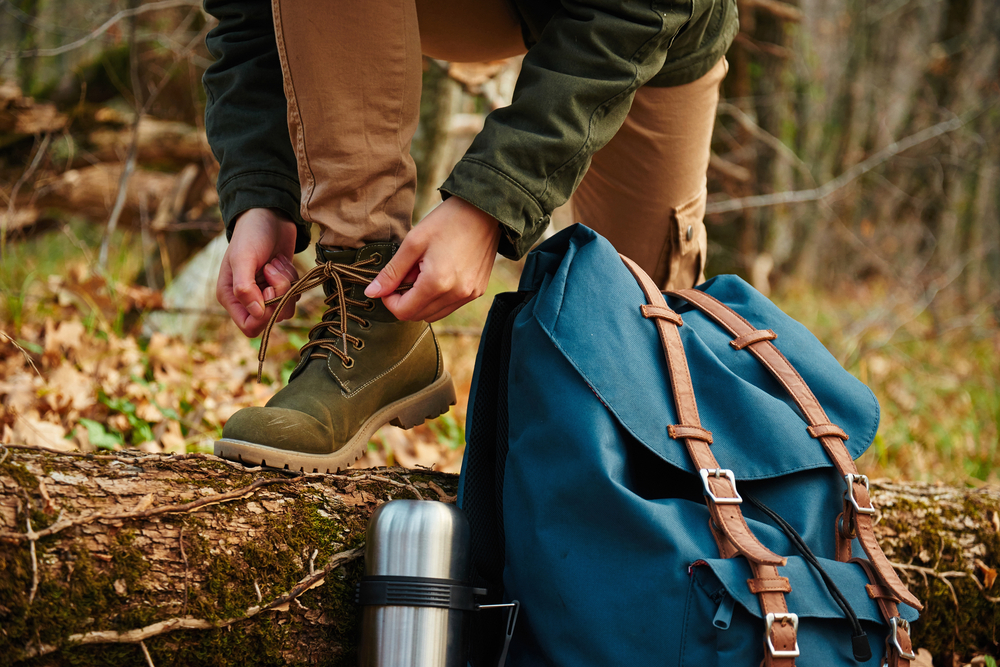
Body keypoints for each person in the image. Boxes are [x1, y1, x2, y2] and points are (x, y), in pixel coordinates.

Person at [203, 0, 737, 472]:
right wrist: (261, 194)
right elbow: (248, 14)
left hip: (641, 17)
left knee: (647, 352)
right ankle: (370, 303)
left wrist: (491, 203)